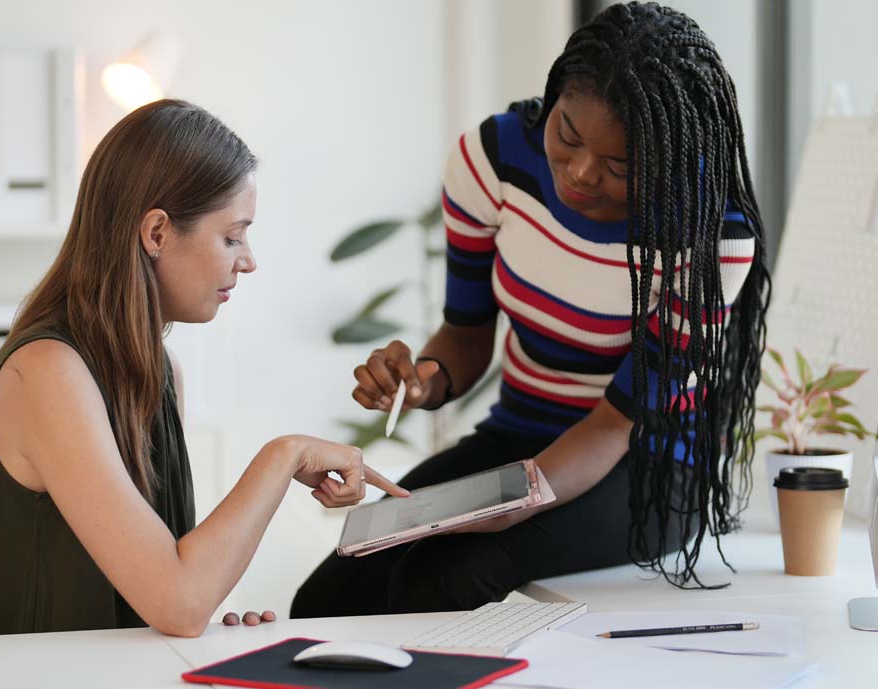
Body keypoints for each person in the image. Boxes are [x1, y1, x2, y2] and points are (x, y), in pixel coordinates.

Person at [292, 1, 770, 618]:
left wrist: (512, 505)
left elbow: (611, 427)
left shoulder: (712, 235)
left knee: (449, 575)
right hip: (517, 435)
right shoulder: (492, 159)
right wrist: (419, 382)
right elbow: (465, 335)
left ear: (667, 159)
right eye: (567, 134)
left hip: (647, 469)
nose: (578, 172)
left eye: (620, 166)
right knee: (334, 590)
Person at [0, 99, 407, 638]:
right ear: (157, 233)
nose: (248, 260)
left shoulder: (159, 372)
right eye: (232, 236)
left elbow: (169, 593)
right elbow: (178, 601)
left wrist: (208, 618)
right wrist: (285, 456)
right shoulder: (49, 373)